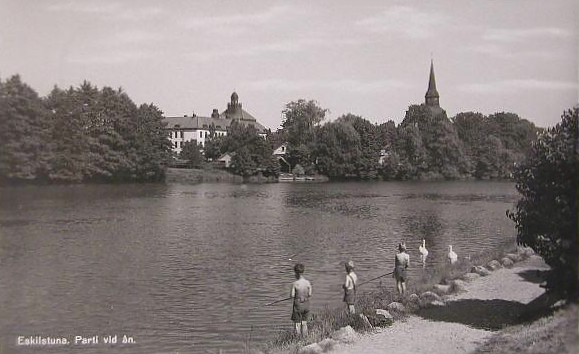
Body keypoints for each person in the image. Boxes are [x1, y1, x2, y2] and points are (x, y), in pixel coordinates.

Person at [290, 263, 312, 336]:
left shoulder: (295, 283)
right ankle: (305, 337)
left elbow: (292, 295)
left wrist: (294, 295)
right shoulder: (308, 283)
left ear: (296, 273)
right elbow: (309, 294)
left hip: (298, 305)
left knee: (297, 323)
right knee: (304, 323)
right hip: (306, 304)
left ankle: (297, 338)